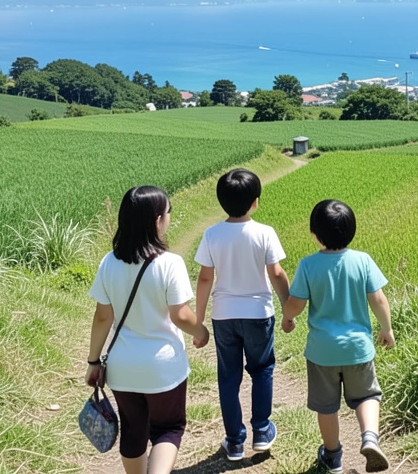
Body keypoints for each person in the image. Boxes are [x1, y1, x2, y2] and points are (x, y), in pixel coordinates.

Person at [87, 185, 210, 474]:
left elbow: (103, 318)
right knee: (168, 429)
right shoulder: (170, 264)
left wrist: (93, 361)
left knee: (132, 430)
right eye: (168, 213)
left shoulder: (109, 262)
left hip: (122, 368)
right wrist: (201, 332)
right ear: (157, 220)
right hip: (162, 366)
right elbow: (180, 316)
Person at [282, 199, 394, 473]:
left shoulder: (308, 265)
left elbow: (296, 304)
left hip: (322, 352)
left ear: (315, 234)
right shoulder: (362, 261)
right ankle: (369, 437)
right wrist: (386, 329)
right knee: (367, 396)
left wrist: (288, 316)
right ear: (351, 231)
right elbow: (378, 299)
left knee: (327, 406)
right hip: (358, 349)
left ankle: (333, 456)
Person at [193, 168, 291, 461]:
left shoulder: (212, 234)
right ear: (255, 202)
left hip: (223, 315)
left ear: (222, 201)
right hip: (259, 313)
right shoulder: (265, 233)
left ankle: (234, 441)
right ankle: (261, 431)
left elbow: (205, 280)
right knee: (262, 371)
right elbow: (276, 273)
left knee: (228, 377)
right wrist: (288, 310)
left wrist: (198, 321)